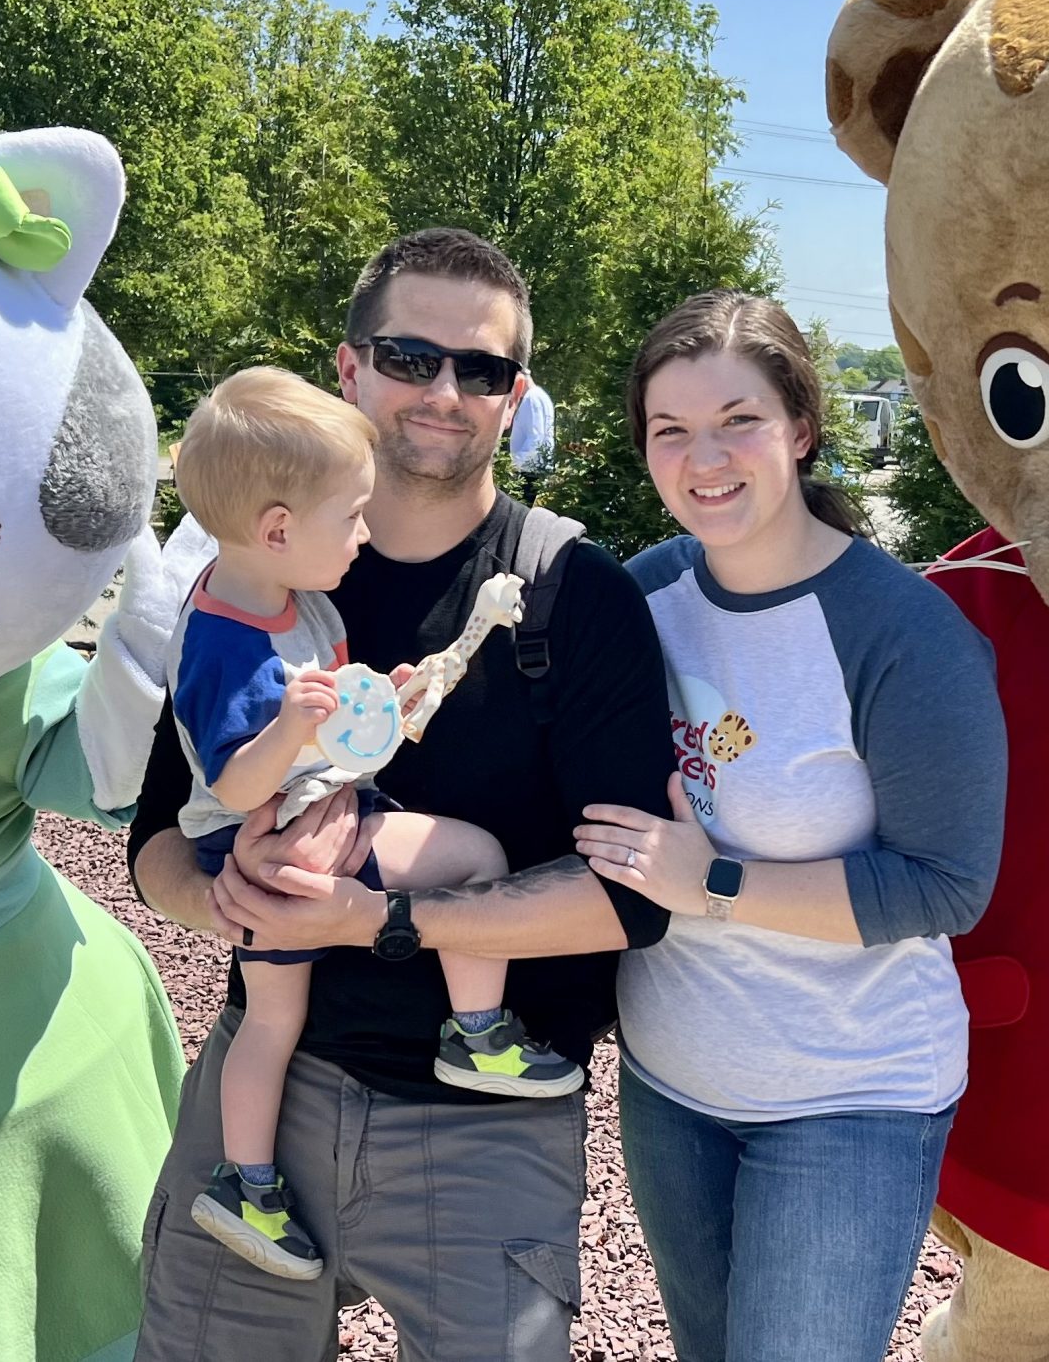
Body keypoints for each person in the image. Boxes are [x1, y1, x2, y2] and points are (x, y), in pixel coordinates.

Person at [127, 228, 674, 1361]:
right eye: (410, 356)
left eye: (479, 370)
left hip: (482, 1139)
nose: (443, 392)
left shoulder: (576, 591)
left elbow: (632, 898)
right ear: (348, 367)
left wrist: (374, 919)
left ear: (513, 396)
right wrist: (240, 893)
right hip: (268, 1090)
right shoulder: (262, 577)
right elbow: (155, 843)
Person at [572, 292, 1007, 1362]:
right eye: (668, 430)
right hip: (671, 1082)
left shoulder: (903, 634)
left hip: (850, 1100)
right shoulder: (647, 592)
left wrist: (712, 880)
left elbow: (945, 883)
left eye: (738, 420)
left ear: (801, 430)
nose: (703, 457)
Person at [159, 366, 580, 1281]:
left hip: (306, 813)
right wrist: (295, 727)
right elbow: (234, 782)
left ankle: (248, 1183)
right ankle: (477, 1031)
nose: (364, 532)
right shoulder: (227, 638)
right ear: (278, 529)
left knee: (273, 1017)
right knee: (476, 858)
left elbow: (335, 722)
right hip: (269, 832)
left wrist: (372, 706)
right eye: (351, 515)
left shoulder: (290, 599)